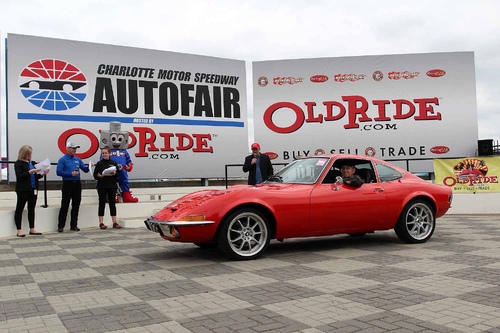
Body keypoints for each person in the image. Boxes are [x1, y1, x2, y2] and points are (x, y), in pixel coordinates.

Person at [14, 145, 50, 237]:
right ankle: (19, 229)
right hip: (23, 189)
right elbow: (20, 176)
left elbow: (35, 176)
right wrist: (30, 172)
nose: (30, 155)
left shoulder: (32, 163)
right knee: (20, 208)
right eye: (28, 153)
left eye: (31, 153)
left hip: (33, 188)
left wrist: (42, 174)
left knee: (31, 209)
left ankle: (32, 228)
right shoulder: (18, 163)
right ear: (24, 153)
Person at [56, 141, 90, 232]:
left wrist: (90, 166)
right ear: (67, 149)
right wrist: (70, 174)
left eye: (76, 148)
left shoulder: (78, 159)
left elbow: (85, 169)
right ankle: (61, 225)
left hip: (77, 183)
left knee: (76, 204)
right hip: (67, 183)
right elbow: (58, 172)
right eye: (73, 148)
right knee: (65, 204)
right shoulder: (62, 160)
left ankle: (74, 225)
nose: (75, 150)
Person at [93, 147, 121, 229]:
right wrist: (99, 175)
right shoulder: (99, 163)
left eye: (105, 153)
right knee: (102, 203)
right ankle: (101, 222)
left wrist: (114, 173)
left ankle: (114, 222)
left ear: (109, 153)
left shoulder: (113, 162)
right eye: (103, 153)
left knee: (112, 203)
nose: (104, 154)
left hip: (112, 185)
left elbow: (118, 175)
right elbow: (95, 175)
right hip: (102, 186)